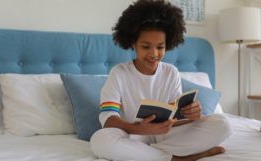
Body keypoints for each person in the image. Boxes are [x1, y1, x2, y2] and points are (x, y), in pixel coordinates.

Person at [90, 0, 231, 161]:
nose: (154, 54)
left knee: (222, 124)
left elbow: (175, 117)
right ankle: (176, 158)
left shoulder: (171, 72)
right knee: (100, 140)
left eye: (160, 47)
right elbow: (107, 118)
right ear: (133, 44)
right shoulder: (119, 73)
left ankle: (144, 155)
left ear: (168, 44)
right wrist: (140, 129)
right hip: (132, 135)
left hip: (165, 135)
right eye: (145, 46)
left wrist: (192, 115)